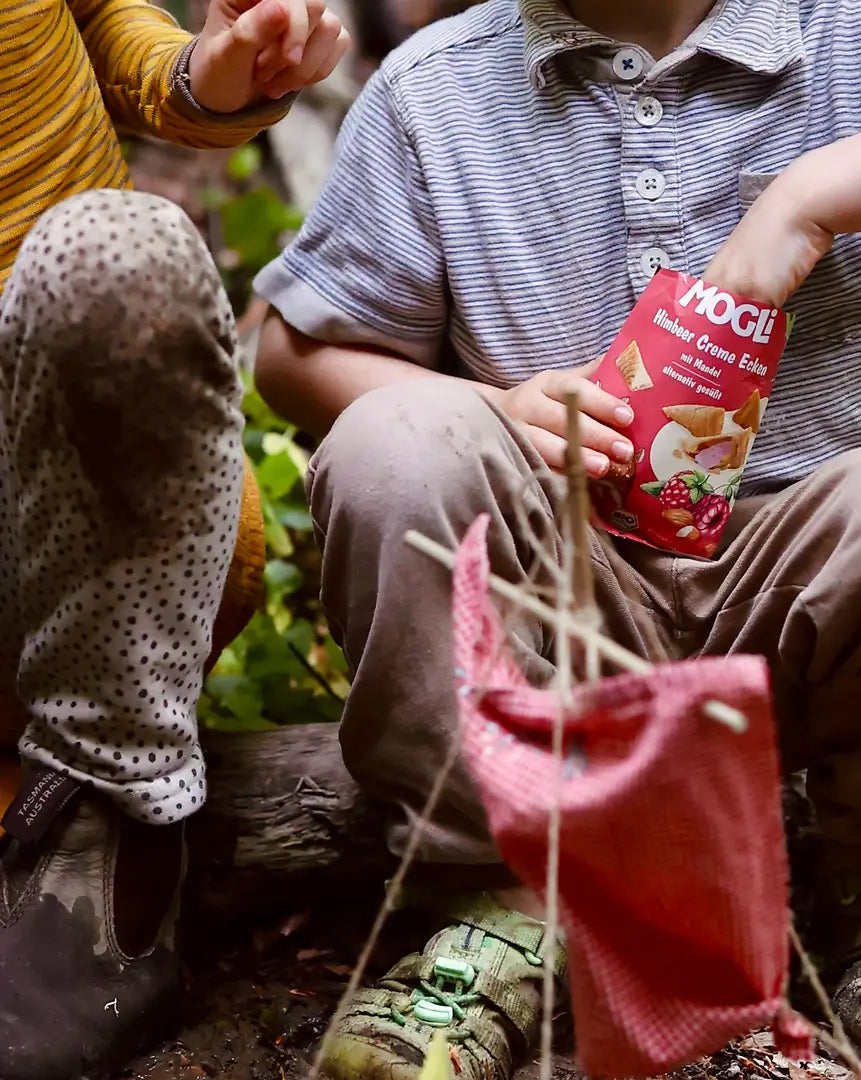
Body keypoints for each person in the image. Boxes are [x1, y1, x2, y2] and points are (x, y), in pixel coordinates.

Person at [253, 0, 861, 1076]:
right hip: (562, 592)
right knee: (394, 440)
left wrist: (810, 195)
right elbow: (292, 352)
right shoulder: (433, 91)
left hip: (810, 603)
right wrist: (497, 409)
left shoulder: (860, 30)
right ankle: (497, 891)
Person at [0, 0, 349, 1077]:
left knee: (127, 251)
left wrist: (209, 73)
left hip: (68, 501)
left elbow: (107, 29)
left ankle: (107, 851)